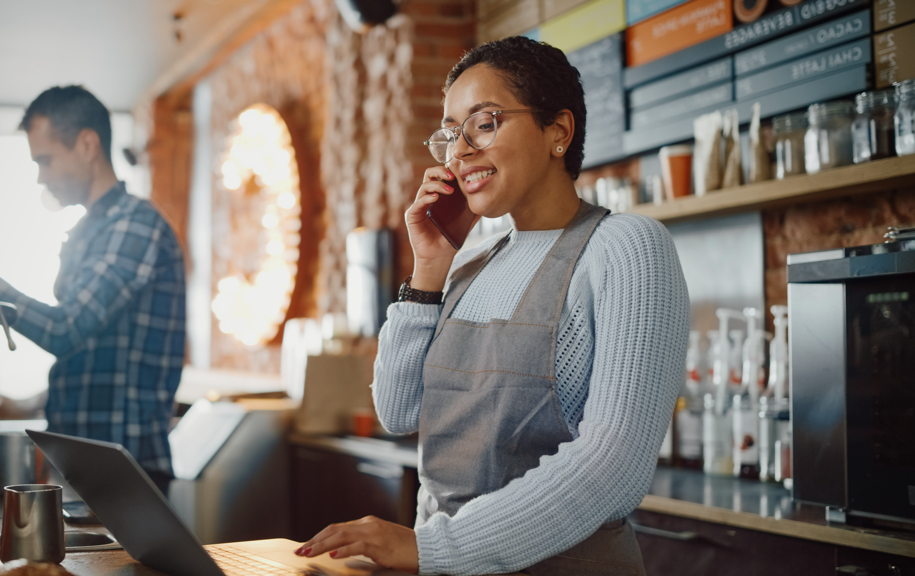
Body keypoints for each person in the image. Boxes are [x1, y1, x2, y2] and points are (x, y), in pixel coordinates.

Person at [295, 37, 689, 575]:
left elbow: (612, 467)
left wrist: (432, 548)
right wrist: (429, 268)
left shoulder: (626, 246)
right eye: (451, 134)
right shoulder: (470, 261)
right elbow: (398, 410)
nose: (459, 152)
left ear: (559, 132)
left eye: (484, 123)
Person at [0, 86, 185, 493]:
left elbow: (66, 330)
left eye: (45, 160)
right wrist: (32, 401)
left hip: (126, 466)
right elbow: (95, 357)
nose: (41, 176)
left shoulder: (133, 225)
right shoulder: (91, 232)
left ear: (87, 144)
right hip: (85, 460)